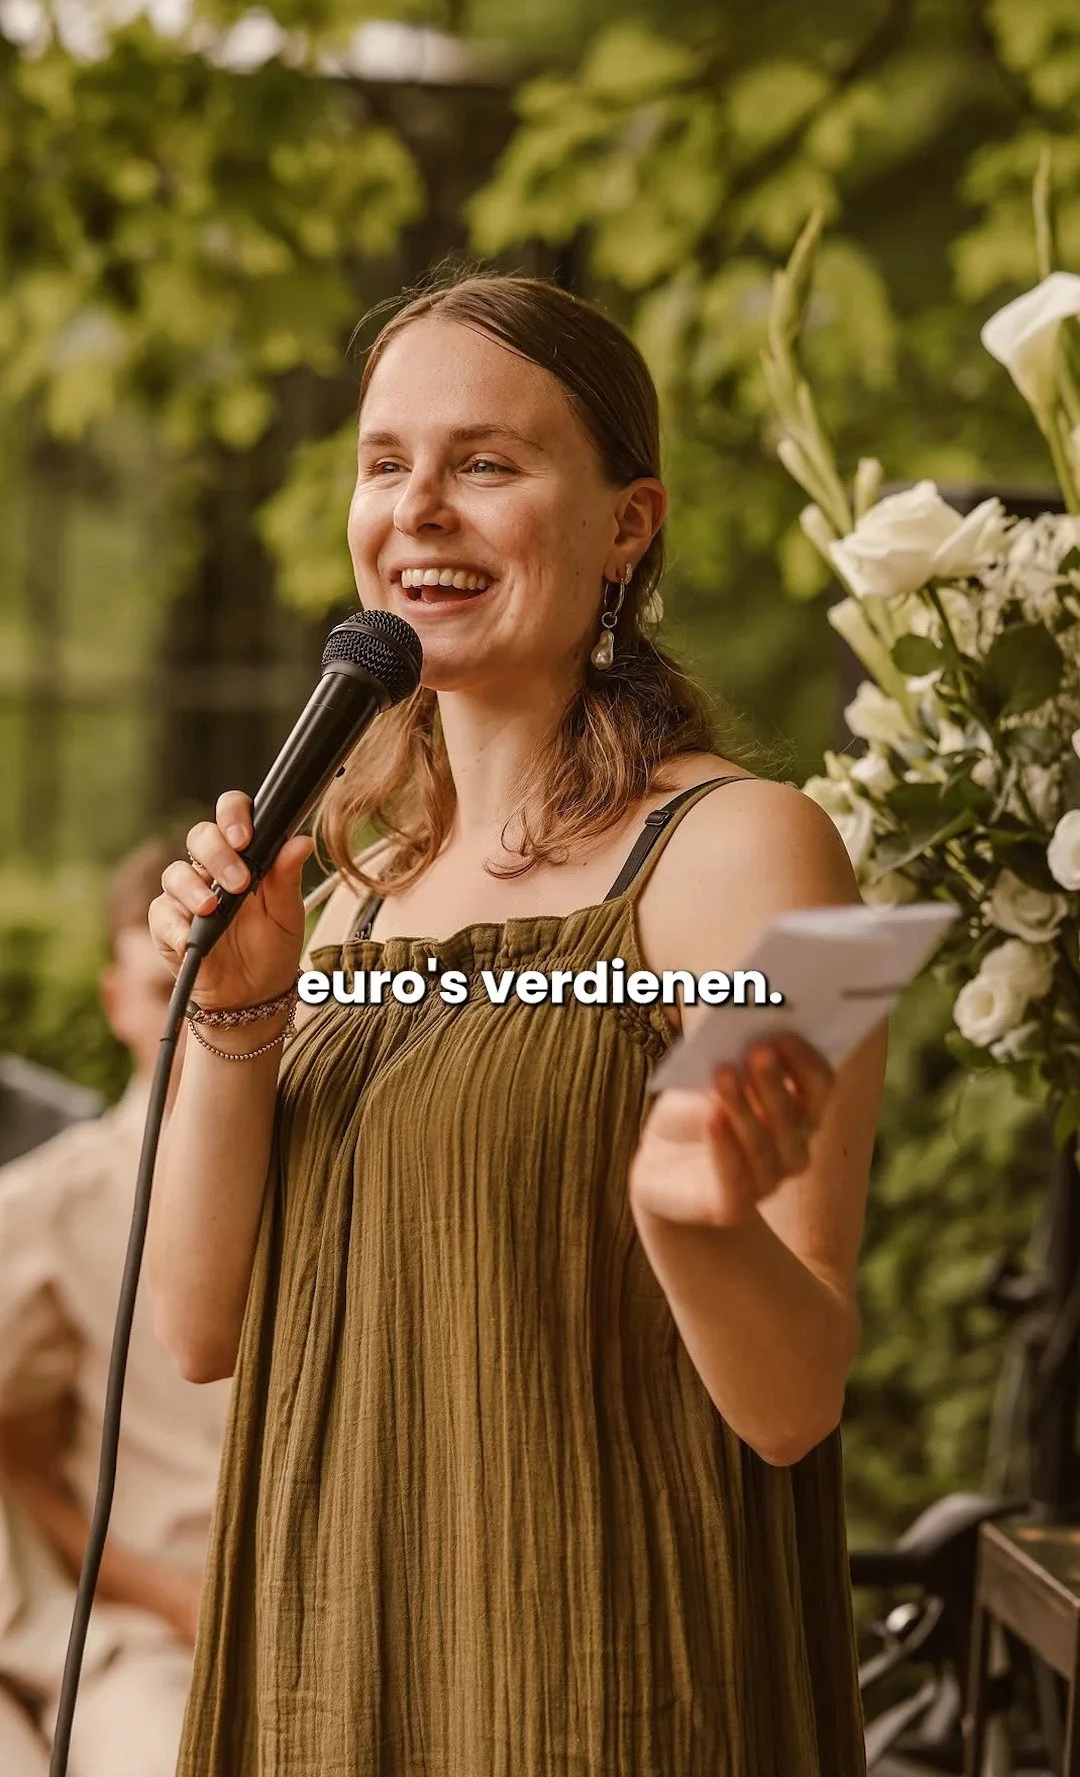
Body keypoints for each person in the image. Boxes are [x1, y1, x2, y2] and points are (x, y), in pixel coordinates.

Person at [148, 273, 886, 1775]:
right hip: (327, 1674)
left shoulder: (768, 854)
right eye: (385, 462)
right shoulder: (348, 899)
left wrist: (693, 1224)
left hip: (596, 1689)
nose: (417, 508)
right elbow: (199, 1330)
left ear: (628, 525)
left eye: (484, 462)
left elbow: (797, 1402)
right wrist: (238, 1014)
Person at [0, 838, 232, 1777]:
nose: (201, 1013)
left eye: (222, 982)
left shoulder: (356, 1179)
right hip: (150, 1650)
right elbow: (14, 1455)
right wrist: (163, 1594)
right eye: (166, 988)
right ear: (115, 1002)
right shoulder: (45, 1206)